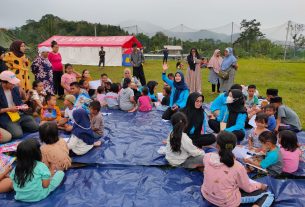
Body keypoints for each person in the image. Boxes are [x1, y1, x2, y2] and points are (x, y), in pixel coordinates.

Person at [202, 131, 274, 207]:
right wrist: (260, 185)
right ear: (234, 146)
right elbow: (248, 188)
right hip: (225, 201)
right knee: (268, 195)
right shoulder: (237, 167)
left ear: (217, 145)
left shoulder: (207, 157)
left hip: (206, 194)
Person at [0, 70, 39, 139]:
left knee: (35, 127)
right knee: (18, 135)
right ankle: (11, 127)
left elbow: (19, 102)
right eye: (11, 83)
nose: (14, 84)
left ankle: (17, 126)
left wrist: (23, 106)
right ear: (3, 83)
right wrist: (9, 109)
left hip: (19, 114)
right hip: (6, 116)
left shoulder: (15, 89)